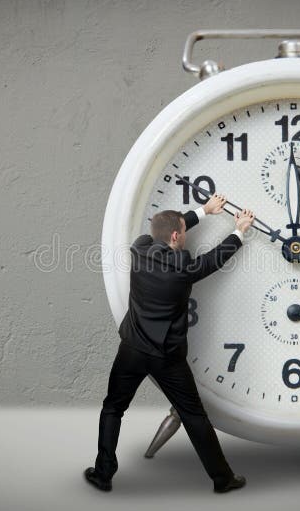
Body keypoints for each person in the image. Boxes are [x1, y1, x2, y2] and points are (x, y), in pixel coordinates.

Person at [84, 193, 255, 494]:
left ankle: (103, 473)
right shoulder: (183, 266)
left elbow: (164, 229)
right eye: (185, 233)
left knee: (113, 407)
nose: (187, 237)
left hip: (132, 349)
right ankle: (222, 479)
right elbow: (214, 260)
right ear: (176, 235)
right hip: (167, 358)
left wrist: (202, 212)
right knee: (193, 416)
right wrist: (239, 230)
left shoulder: (139, 249)